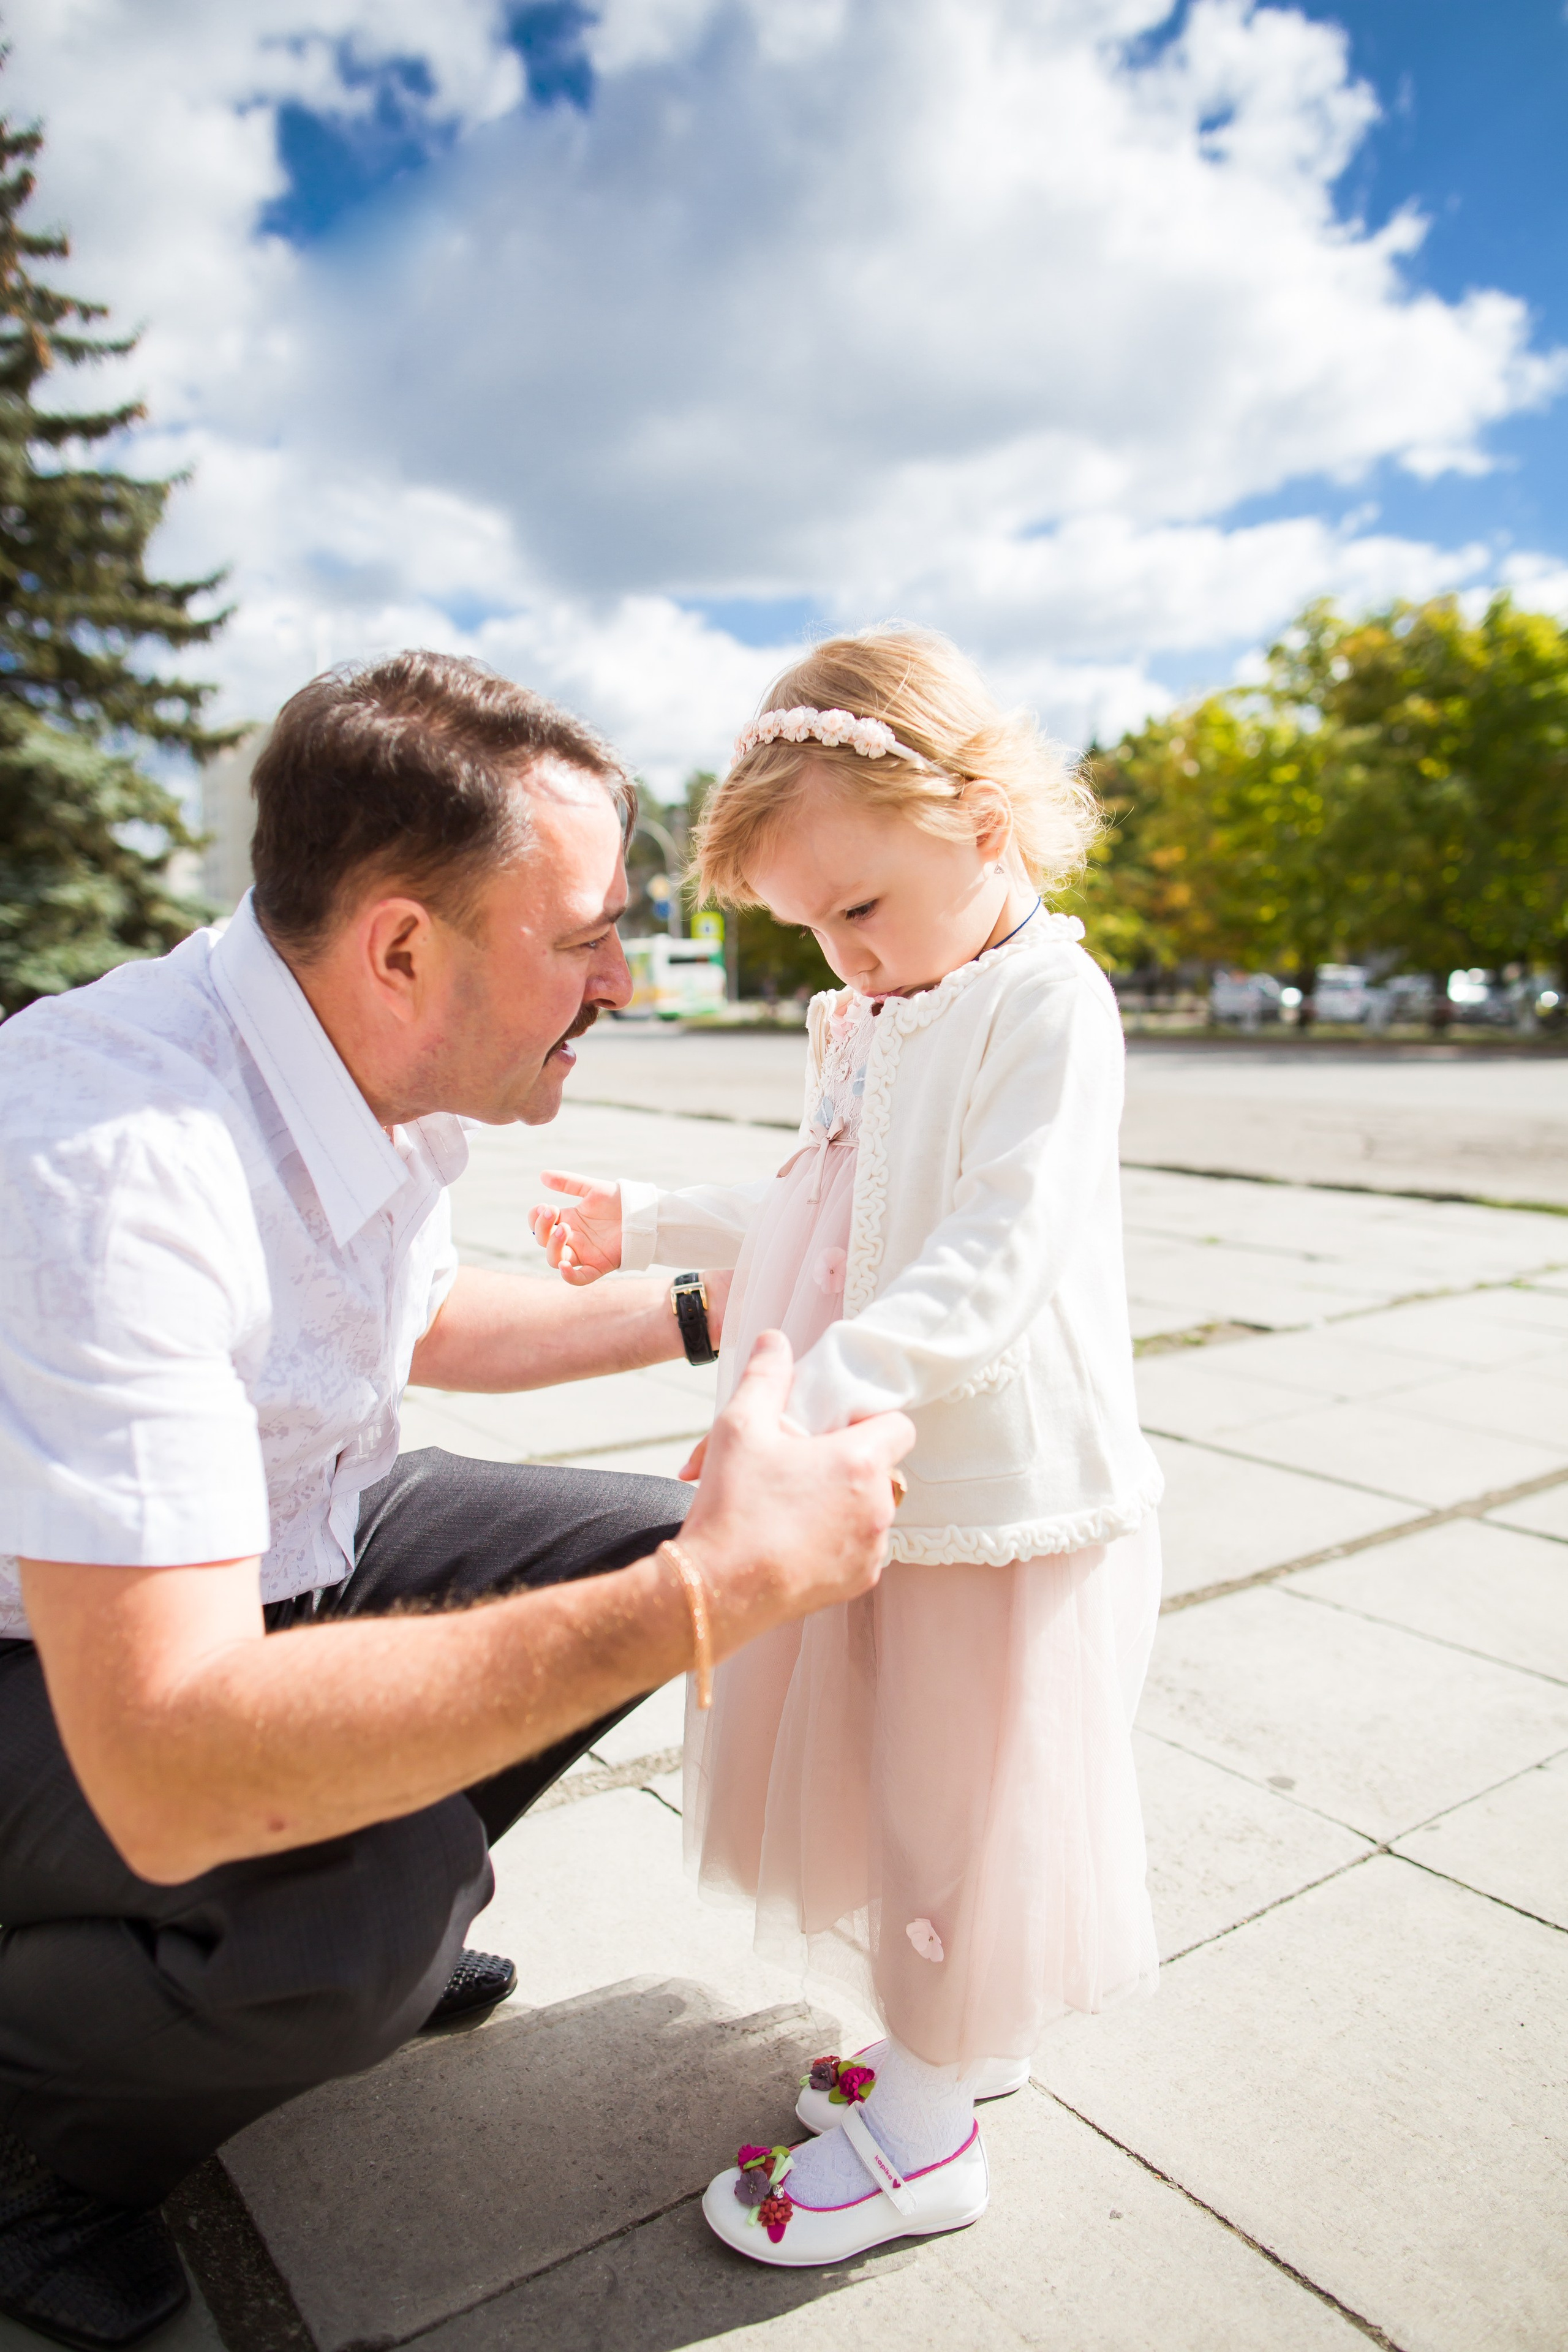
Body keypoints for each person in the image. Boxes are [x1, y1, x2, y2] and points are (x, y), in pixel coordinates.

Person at [0, 651, 913, 2350]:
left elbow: (413, 1318)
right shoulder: (115, 1160)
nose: (623, 978)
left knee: (641, 1535)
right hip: (56, 1670)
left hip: (282, 1543)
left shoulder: (353, 1059)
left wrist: (720, 1310)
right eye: (583, 938)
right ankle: (53, 2157)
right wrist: (709, 1596)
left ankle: (294, 1939)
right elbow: (169, 1743)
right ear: (403, 945)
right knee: (371, 1917)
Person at [529, 627, 1164, 2267]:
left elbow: (993, 1254)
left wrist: (814, 1395)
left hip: (993, 1491)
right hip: (889, 1468)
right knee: (906, 1781)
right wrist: (654, 1216)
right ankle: (963, 2037)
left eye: (859, 910)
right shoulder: (902, 1004)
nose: (846, 955)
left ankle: (933, 2136)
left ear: (982, 824)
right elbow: (829, 1201)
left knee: (956, 1794)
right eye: (816, 928)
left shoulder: (1045, 1005)